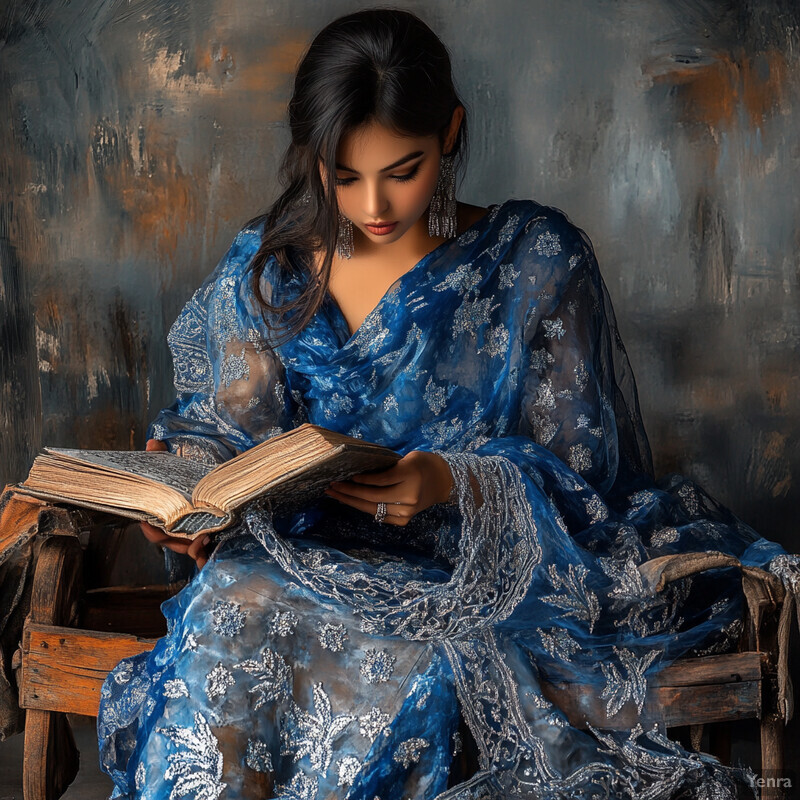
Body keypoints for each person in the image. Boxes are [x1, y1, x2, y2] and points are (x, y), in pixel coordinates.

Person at [97, 9, 799, 800]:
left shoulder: (532, 260)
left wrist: (453, 483)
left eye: (404, 169)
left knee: (401, 656)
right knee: (231, 603)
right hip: (300, 557)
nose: (373, 203)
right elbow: (229, 431)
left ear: (452, 132)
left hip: (469, 577)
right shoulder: (269, 270)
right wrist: (186, 496)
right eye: (343, 174)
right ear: (310, 157)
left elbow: (589, 478)